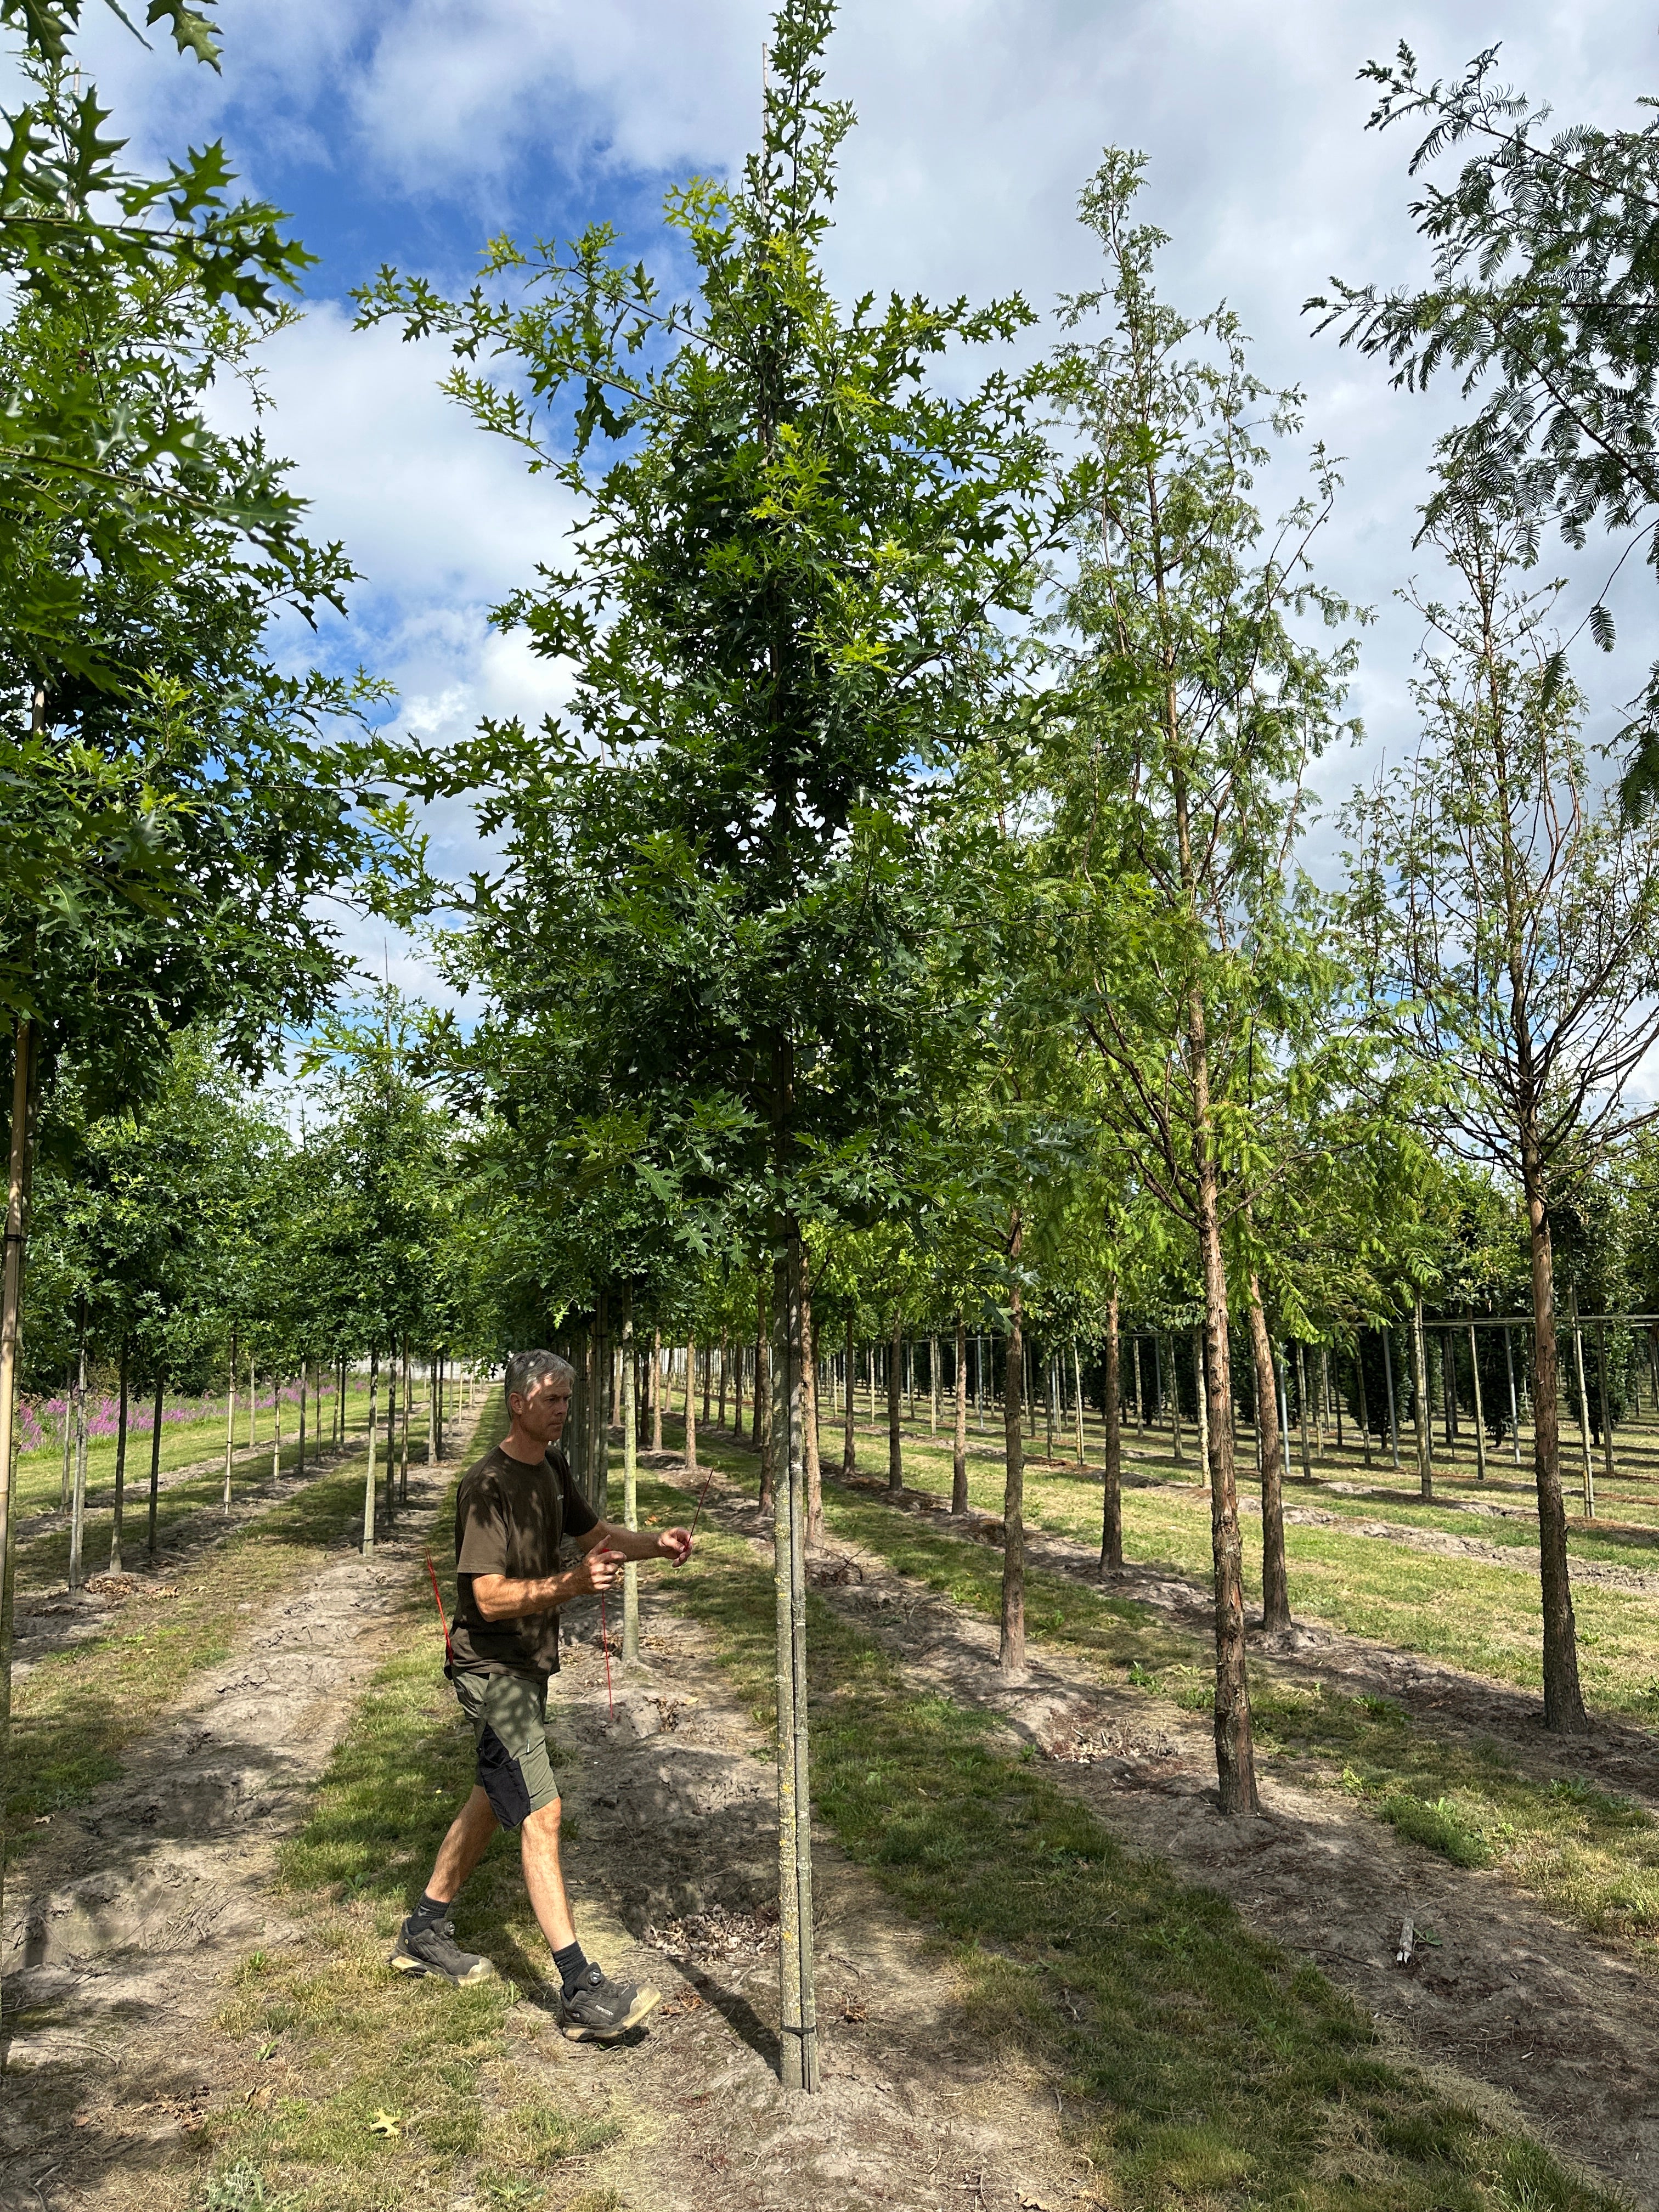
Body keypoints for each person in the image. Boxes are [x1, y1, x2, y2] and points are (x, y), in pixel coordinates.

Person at [391, 1347, 693, 2040]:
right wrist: (571, 1585)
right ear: (517, 1403)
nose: (563, 1410)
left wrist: (655, 1544)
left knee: (495, 1795)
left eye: (567, 1400)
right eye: (552, 1399)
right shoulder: (486, 1486)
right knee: (542, 1813)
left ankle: (424, 1928)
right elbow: (488, 1598)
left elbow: (597, 1536)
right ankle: (581, 1989)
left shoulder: (552, 1468)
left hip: (528, 1667)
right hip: (493, 1670)